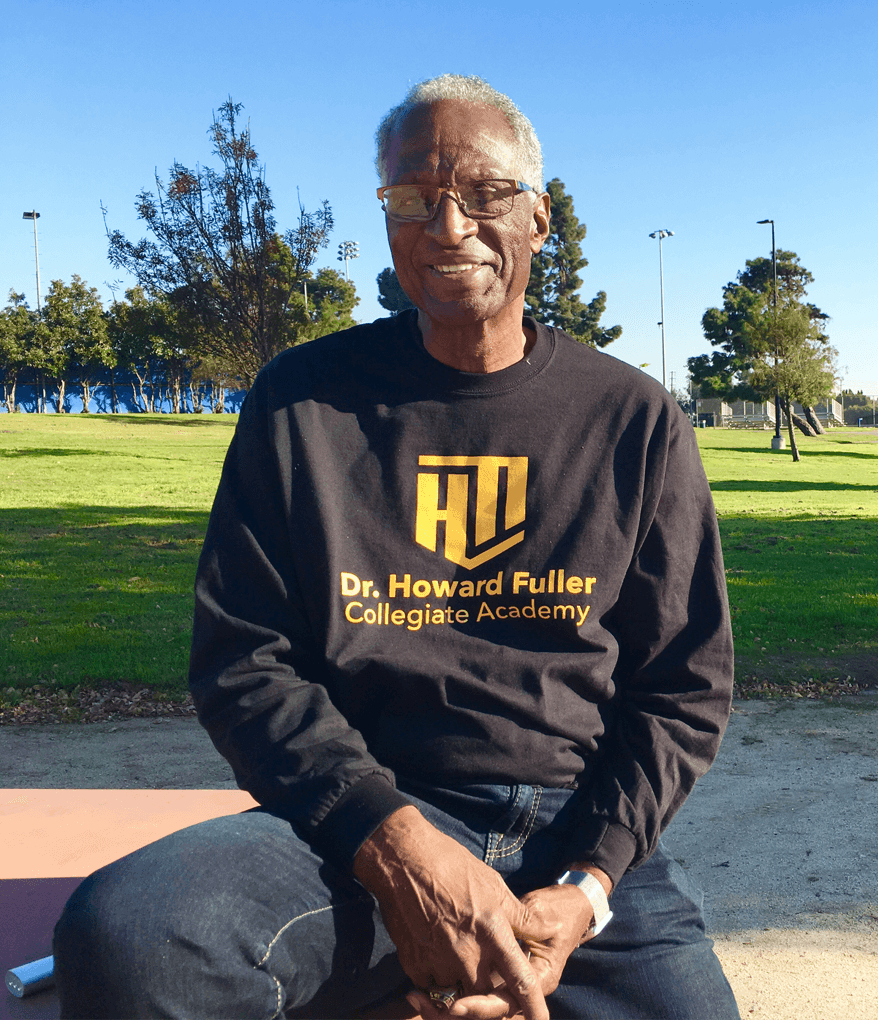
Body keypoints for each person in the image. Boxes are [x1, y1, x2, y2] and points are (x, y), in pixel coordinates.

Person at [53, 74, 740, 1020]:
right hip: (358, 821)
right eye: (412, 198)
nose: (447, 225)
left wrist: (587, 886)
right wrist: (396, 852)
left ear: (541, 218)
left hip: (569, 833)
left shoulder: (634, 420)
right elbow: (245, 662)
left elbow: (683, 685)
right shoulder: (302, 404)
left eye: (485, 194)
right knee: (132, 936)